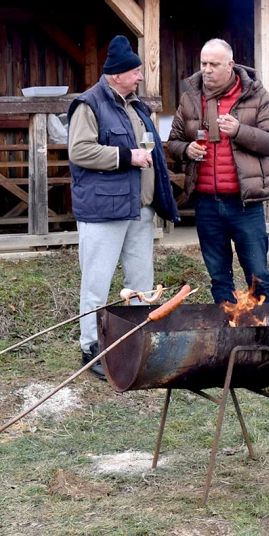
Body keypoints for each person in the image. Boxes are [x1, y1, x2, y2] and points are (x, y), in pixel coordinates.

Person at [68, 36, 179, 378]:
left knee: (142, 282)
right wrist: (127, 157)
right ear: (116, 75)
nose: (140, 78)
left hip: (139, 210)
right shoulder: (89, 104)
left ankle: (138, 342)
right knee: (97, 284)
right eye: (135, 72)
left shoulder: (136, 106)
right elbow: (80, 151)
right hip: (103, 213)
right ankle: (92, 349)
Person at [166, 39, 269, 304]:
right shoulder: (190, 98)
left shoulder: (256, 95)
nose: (206, 70)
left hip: (245, 205)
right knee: (219, 279)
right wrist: (186, 150)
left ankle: (262, 335)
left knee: (258, 276)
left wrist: (239, 131)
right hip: (206, 204)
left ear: (230, 65)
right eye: (203, 63)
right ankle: (228, 334)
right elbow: (172, 142)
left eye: (214, 64)